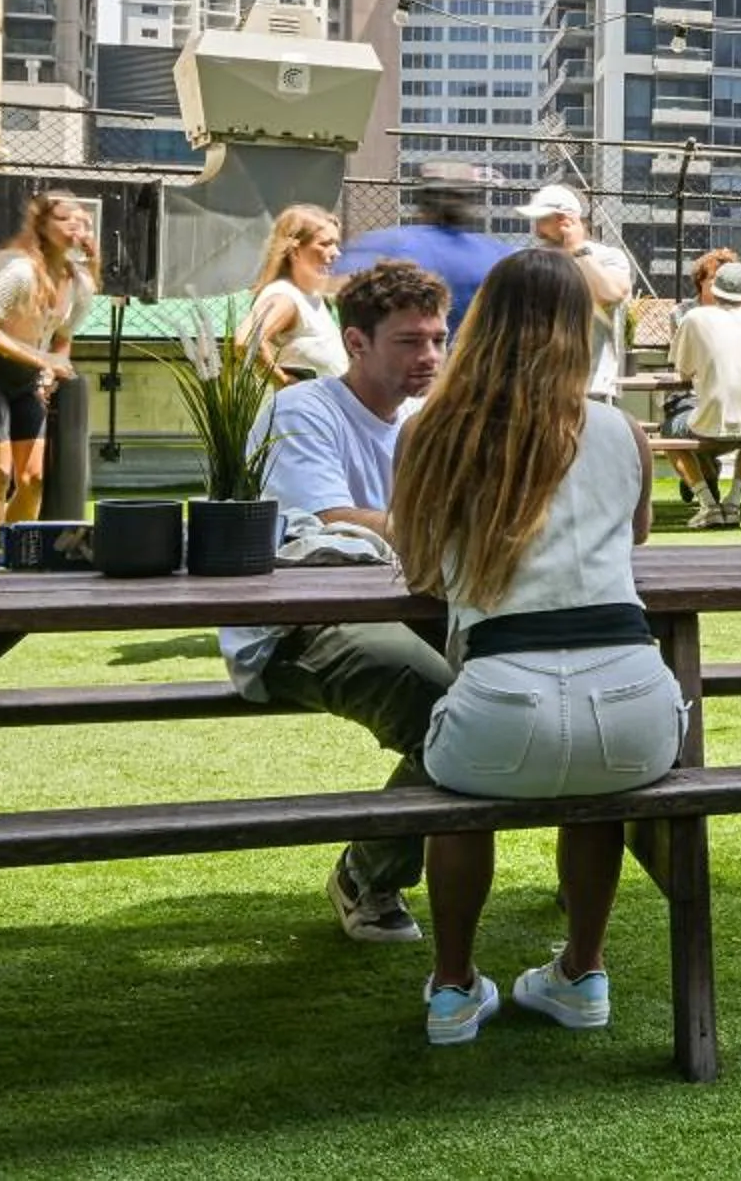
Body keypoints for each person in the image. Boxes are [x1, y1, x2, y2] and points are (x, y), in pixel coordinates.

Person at [391, 249, 675, 1046]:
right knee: (598, 800)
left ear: (480, 323)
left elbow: (416, 566)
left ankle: (453, 986)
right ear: (579, 331)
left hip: (497, 706)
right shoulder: (622, 431)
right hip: (635, 708)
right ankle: (582, 971)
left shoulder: (429, 432)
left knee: (455, 801)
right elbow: (637, 535)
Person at [214, 261, 455, 946]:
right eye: (409, 342)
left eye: (437, 338)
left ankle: (581, 867)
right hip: (297, 625)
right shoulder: (301, 410)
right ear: (355, 343)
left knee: (535, 676)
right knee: (444, 704)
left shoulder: (425, 416)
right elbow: (327, 522)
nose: (430, 356)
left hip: (412, 608)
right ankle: (368, 875)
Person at [0, 191, 88, 556]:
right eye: (63, 218)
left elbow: (63, 337)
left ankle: (12, 552)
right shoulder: (19, 269)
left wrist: (50, 371)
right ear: (42, 225)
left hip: (26, 381)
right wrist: (40, 360)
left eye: (81, 217)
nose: (76, 223)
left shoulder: (79, 282)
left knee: (34, 479)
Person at [333, 162, 513, 330]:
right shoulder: (501, 255)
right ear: (472, 201)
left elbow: (337, 292)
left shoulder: (382, 244)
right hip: (473, 358)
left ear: (421, 199)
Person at [667, 259, 741, 528]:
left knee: (670, 433)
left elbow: (683, 370)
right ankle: (733, 503)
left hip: (712, 421)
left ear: (715, 289)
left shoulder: (694, 318)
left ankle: (708, 505)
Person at [520, 183, 636, 399]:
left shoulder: (608, 257)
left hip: (591, 385)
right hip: (539, 383)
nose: (537, 230)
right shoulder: (534, 259)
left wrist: (576, 249)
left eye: (543, 220)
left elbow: (610, 294)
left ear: (567, 220)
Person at [240, 204, 346, 382]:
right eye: (325, 244)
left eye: (335, 243)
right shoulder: (285, 297)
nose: (336, 253)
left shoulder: (313, 297)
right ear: (295, 250)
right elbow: (247, 340)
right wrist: (284, 382)